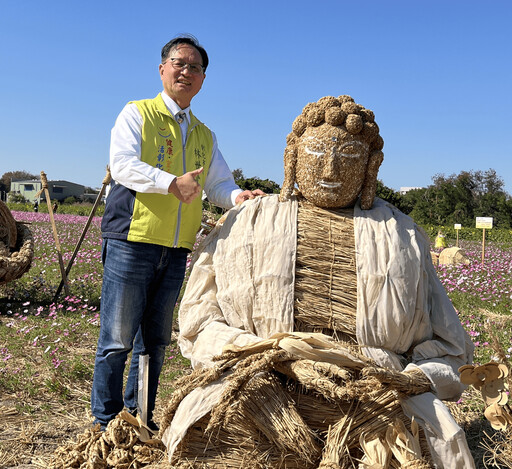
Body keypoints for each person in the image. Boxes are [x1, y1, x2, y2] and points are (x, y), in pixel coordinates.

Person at [163, 96, 476, 467]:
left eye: (347, 155)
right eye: (316, 151)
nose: (330, 169)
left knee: (421, 445)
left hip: (373, 390)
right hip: (263, 377)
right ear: (292, 158)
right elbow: (199, 319)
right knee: (217, 430)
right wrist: (253, 352)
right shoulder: (247, 222)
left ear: (370, 166)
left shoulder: (400, 234)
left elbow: (451, 347)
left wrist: (410, 378)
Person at [91, 35, 263, 431]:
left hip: (175, 249)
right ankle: (105, 424)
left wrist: (239, 196)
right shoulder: (138, 114)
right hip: (132, 241)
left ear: (203, 78)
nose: (186, 71)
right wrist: (171, 183)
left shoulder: (204, 134)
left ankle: (141, 418)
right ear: (162, 69)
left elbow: (218, 183)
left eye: (195, 67)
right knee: (117, 340)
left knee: (155, 342)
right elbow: (122, 165)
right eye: (178, 63)